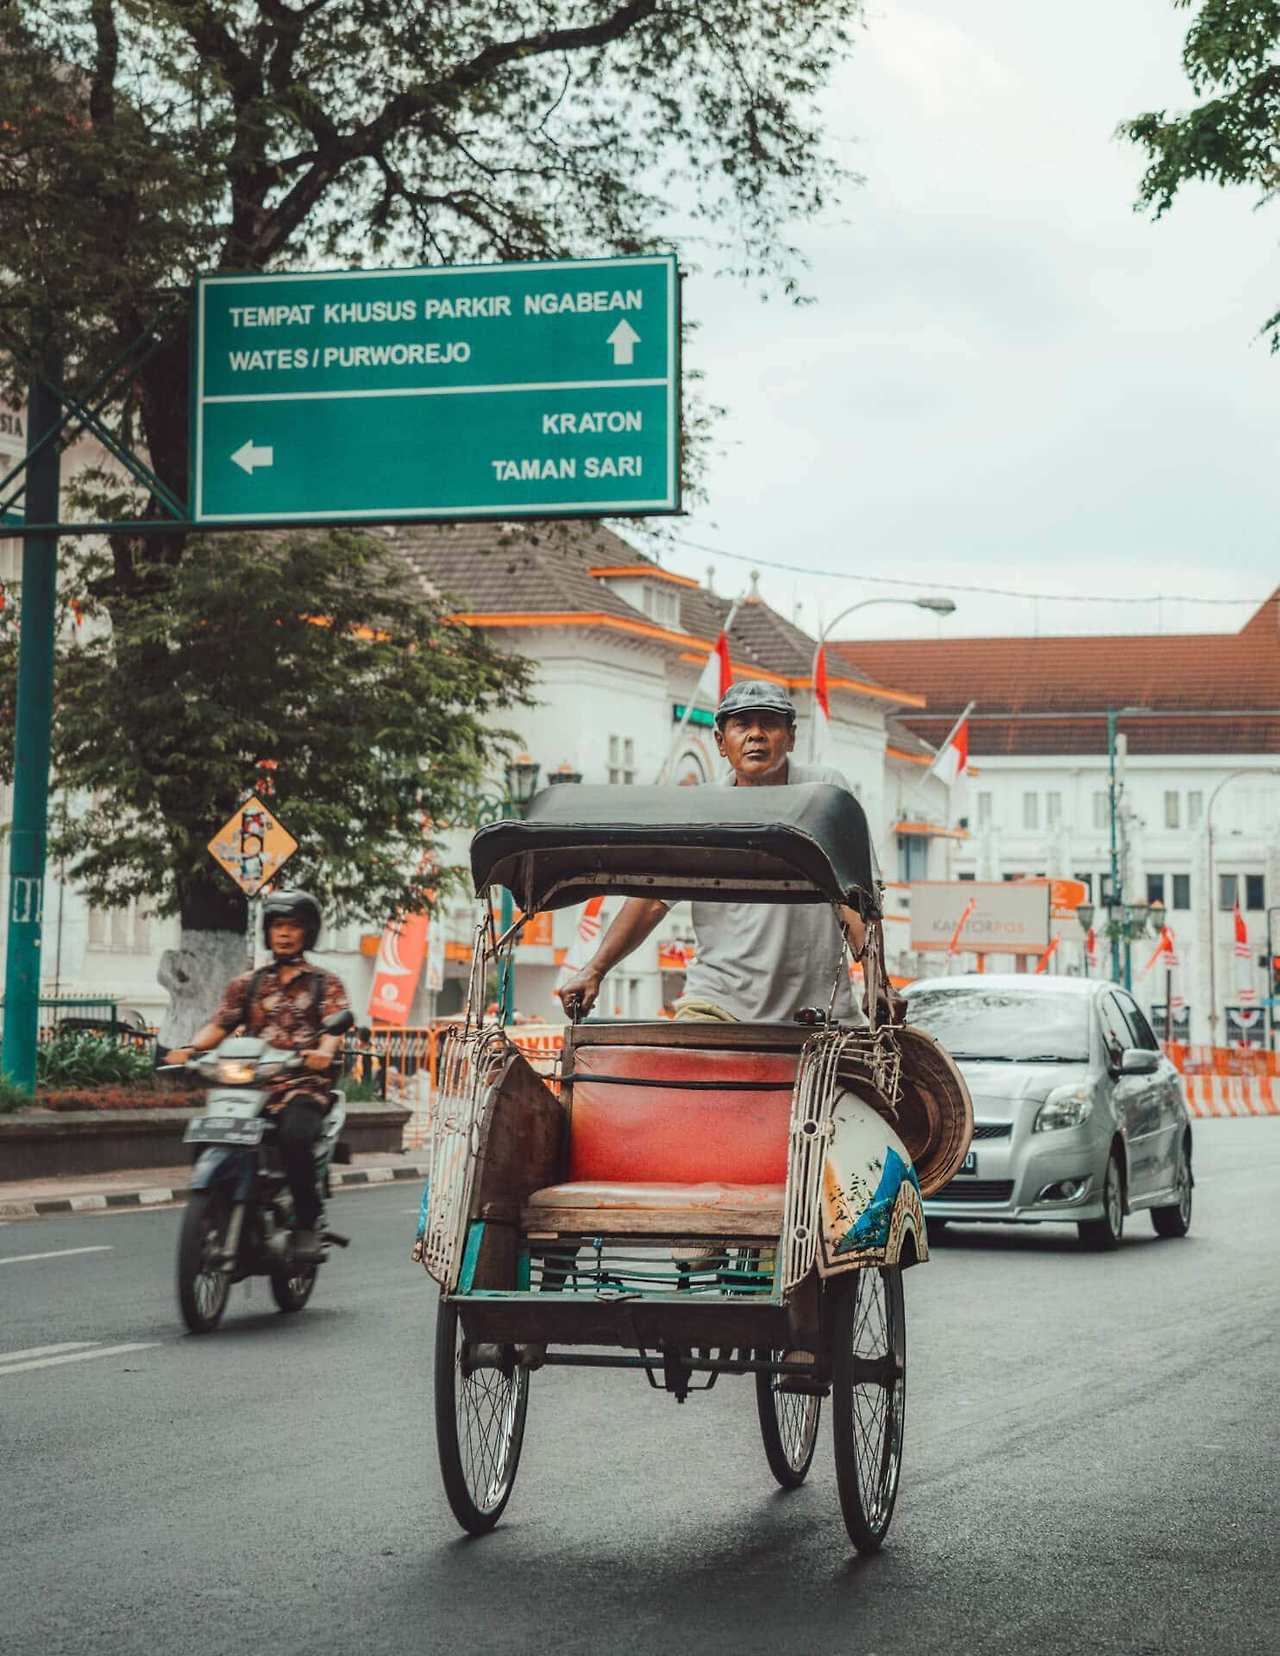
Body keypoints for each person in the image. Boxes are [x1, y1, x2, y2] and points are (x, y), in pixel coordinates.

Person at [556, 680, 876, 1025]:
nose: (756, 735)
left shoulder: (824, 796)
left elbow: (855, 902)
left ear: (791, 737)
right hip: (717, 1003)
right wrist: (595, 970)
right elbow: (649, 900)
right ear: (721, 743)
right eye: (742, 725)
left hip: (818, 1011)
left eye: (769, 724)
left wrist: (877, 983)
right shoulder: (700, 810)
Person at [166, 889, 351, 1262]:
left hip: (301, 1084)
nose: (284, 934)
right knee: (210, 1131)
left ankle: (305, 1224)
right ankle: (218, 1204)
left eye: (293, 926)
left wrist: (322, 1054)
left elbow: (334, 1030)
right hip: (250, 1083)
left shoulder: (324, 984)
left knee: (295, 1136)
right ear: (267, 931)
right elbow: (219, 1026)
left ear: (307, 933)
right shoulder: (246, 983)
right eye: (278, 926)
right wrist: (190, 1050)